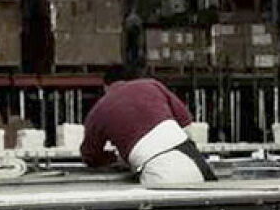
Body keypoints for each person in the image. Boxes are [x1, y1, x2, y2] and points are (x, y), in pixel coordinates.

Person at [82, 63, 213, 188]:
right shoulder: (152, 85)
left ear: (105, 87)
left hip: (158, 170)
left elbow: (90, 156)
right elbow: (185, 120)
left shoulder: (98, 109)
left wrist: (116, 158)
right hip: (194, 159)